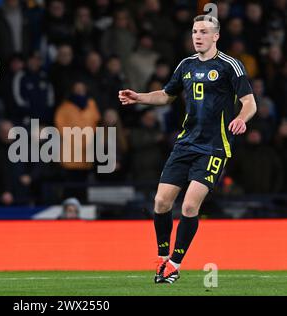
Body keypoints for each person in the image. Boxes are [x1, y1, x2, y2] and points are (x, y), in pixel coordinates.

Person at [118, 15, 257, 284]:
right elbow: (166, 95)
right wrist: (140, 97)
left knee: (190, 206)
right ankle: (162, 256)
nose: (197, 36)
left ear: (216, 36)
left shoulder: (230, 65)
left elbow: (249, 102)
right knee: (160, 202)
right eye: (194, 31)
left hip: (214, 147)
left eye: (204, 32)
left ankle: (174, 264)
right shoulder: (186, 65)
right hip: (185, 144)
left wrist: (241, 118)